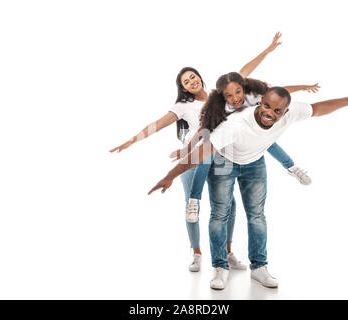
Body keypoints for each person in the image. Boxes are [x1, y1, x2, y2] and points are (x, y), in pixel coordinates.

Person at [148, 75, 348, 290]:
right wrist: (170, 175)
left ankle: (259, 267)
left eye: (277, 110)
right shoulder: (235, 124)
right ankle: (220, 267)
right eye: (266, 106)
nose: (270, 113)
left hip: (254, 164)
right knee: (220, 213)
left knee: (257, 215)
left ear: (285, 111)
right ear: (259, 103)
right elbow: (202, 153)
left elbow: (319, 108)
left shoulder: (290, 113)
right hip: (224, 162)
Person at [110, 32, 313, 273]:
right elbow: (159, 124)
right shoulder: (183, 106)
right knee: (193, 201)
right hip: (198, 153)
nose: (191, 82)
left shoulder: (225, 94)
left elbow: (251, 76)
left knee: (230, 202)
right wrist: (133, 140)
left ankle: (228, 253)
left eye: (193, 76)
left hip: (228, 151)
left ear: (200, 78)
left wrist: (268, 51)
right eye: (186, 81)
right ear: (182, 88)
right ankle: (196, 252)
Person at [170, 73, 319, 224]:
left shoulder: (253, 96)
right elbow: (203, 129)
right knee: (205, 156)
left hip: (248, 135)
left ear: (243, 88)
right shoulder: (218, 107)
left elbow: (280, 91)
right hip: (225, 140)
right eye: (228, 95)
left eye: (238, 92)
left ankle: (292, 168)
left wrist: (303, 87)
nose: (235, 99)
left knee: (268, 141)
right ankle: (194, 201)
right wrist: (186, 150)